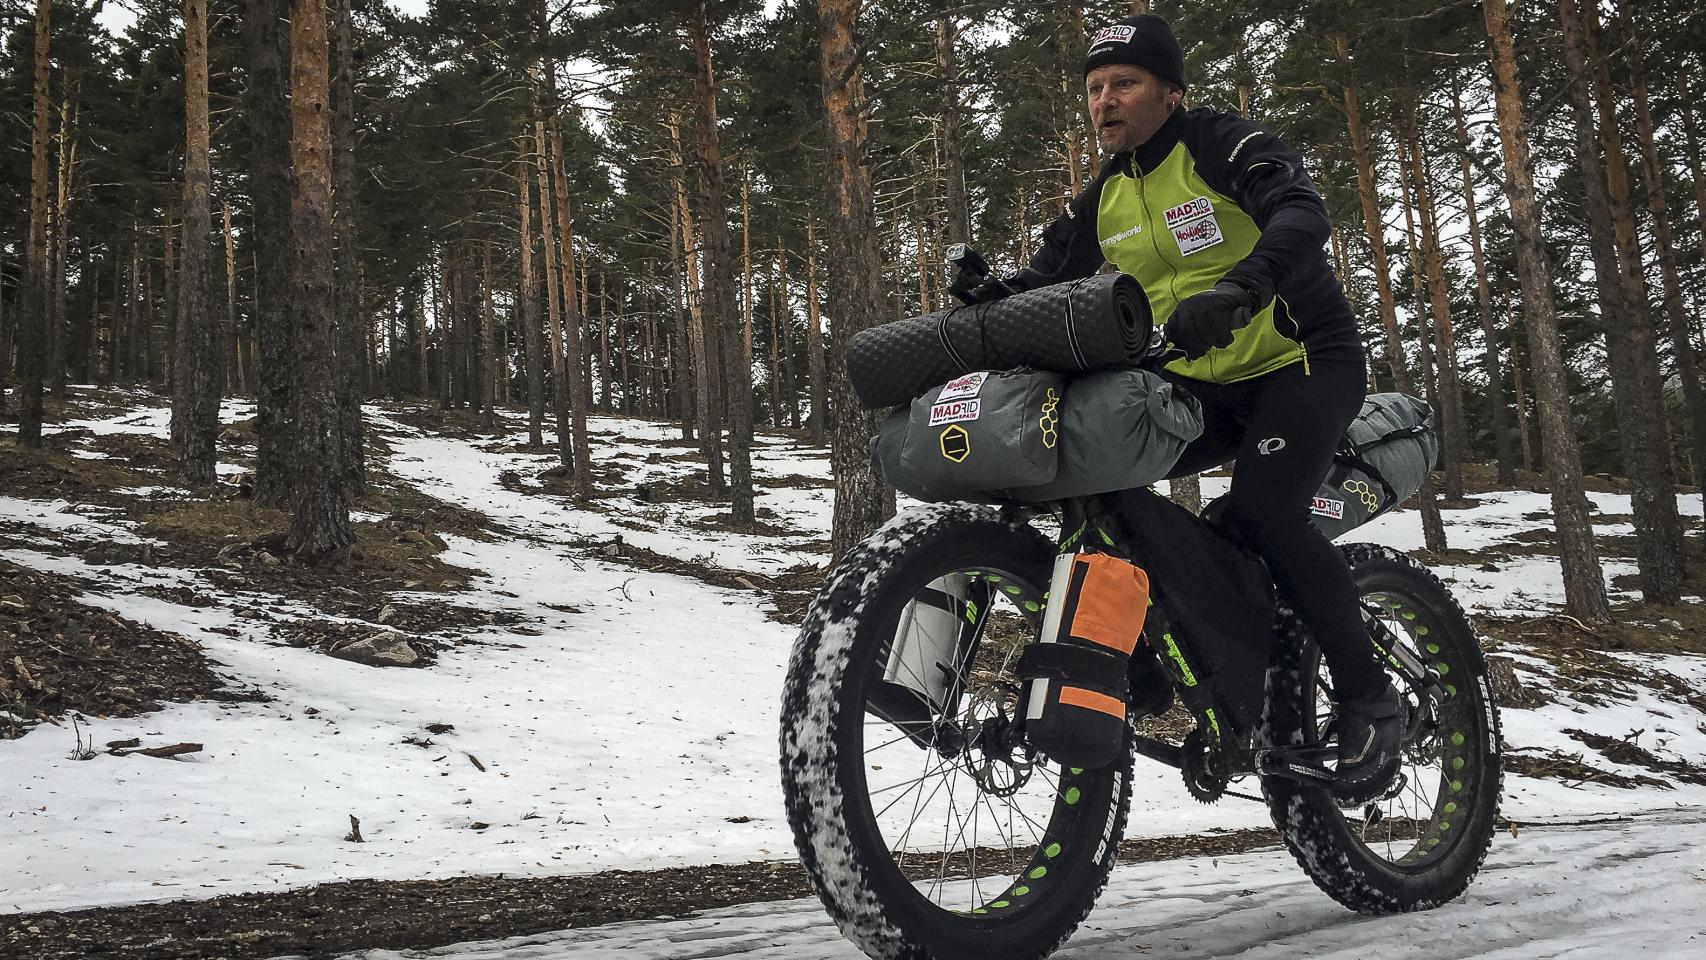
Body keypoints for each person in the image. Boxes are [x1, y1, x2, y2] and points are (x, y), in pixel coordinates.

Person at [979, 13, 1401, 804]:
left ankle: (1368, 696)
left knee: (1266, 515)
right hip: (1203, 383)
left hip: (1301, 359)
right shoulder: (1104, 195)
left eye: (1125, 83)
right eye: (1095, 87)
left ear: (1170, 92)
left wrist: (1243, 285)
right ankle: (1164, 664)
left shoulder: (1217, 144)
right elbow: (1042, 281)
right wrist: (988, 295)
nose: (1106, 100)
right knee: (1099, 488)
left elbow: (1302, 213)